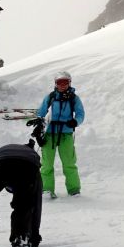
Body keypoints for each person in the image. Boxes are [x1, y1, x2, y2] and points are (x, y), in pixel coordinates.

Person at [36, 70, 85, 199]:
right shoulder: (50, 97)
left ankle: (74, 189)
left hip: (66, 134)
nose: (62, 85)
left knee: (69, 163)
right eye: (59, 82)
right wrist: (39, 125)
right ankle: (47, 189)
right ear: (55, 83)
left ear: (69, 83)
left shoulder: (74, 98)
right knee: (47, 164)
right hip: (49, 134)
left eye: (65, 82)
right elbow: (41, 112)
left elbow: (80, 114)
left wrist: (75, 121)